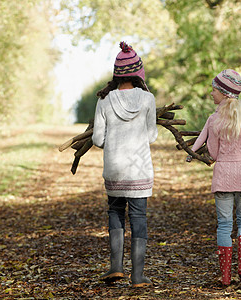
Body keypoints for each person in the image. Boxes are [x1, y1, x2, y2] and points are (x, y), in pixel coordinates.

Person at [92, 42, 158, 288]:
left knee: (116, 213)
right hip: (139, 168)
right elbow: (151, 136)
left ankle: (115, 268)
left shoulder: (104, 100)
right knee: (139, 217)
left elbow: (98, 139)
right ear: (138, 73)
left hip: (114, 168)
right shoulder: (148, 99)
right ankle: (138, 276)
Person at [186, 69, 241, 286]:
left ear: (224, 93)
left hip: (224, 176)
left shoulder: (215, 119)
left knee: (225, 224)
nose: (211, 94)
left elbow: (215, 154)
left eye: (214, 90)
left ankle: (225, 275)